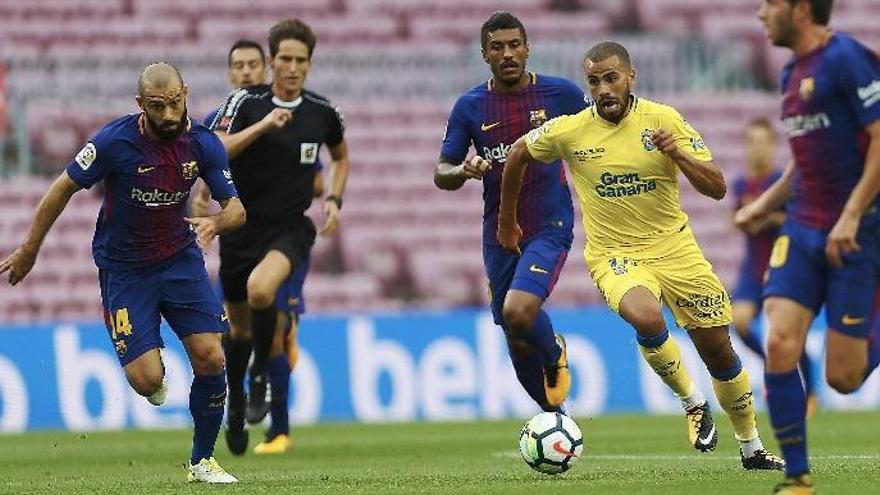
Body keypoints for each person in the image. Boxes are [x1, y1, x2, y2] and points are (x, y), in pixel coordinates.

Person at [499, 41, 784, 470]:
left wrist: (678, 153)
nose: (603, 89)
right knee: (646, 316)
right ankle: (692, 402)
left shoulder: (664, 120)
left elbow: (718, 187)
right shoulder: (571, 130)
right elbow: (518, 153)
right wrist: (508, 222)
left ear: (630, 76)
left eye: (611, 78)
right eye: (594, 81)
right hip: (616, 254)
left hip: (677, 251)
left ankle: (751, 447)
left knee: (720, 353)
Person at [0, 63, 245, 483]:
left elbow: (237, 210)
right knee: (147, 382)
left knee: (210, 355)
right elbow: (62, 188)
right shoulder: (114, 141)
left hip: (180, 260)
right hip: (125, 270)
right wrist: (29, 249)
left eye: (174, 103)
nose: (168, 115)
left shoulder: (204, 145)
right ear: (140, 105)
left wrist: (215, 224)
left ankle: (202, 461)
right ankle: (150, 369)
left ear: (185, 93)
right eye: (156, 107)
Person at [736, 1, 880, 492]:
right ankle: (798, 479)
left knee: (845, 378)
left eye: (770, 4)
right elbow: (802, 158)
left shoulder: (846, 58)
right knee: (778, 342)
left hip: (856, 232)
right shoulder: (790, 74)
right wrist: (764, 205)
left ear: (799, 9)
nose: (760, 14)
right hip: (801, 227)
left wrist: (853, 214)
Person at [434, 11, 588, 412]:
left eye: (514, 45)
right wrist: (463, 169)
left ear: (527, 48)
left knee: (518, 310)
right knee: (513, 330)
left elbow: (604, 127)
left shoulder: (562, 96)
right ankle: (555, 419)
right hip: (498, 229)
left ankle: (554, 349)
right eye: (497, 47)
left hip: (548, 223)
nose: (507, 54)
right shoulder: (470, 106)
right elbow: (441, 172)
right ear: (484, 54)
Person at [210, 18, 350, 455]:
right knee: (236, 330)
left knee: (260, 289)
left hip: (289, 228)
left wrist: (334, 198)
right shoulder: (244, 102)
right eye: (284, 59)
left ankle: (256, 377)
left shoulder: (323, 112)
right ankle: (235, 404)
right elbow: (215, 149)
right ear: (272, 62)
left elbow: (341, 157)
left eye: (300, 60)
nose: (292, 67)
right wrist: (264, 126)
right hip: (239, 228)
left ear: (310, 64)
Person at [731, 118, 817, 414]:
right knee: (739, 321)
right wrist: (747, 221)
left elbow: (796, 219)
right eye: (752, 141)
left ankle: (811, 394)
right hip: (753, 267)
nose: (757, 148)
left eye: (762, 141)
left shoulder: (781, 181)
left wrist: (767, 218)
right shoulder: (741, 183)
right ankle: (769, 362)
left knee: (790, 333)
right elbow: (736, 220)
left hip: (782, 262)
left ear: (772, 145)